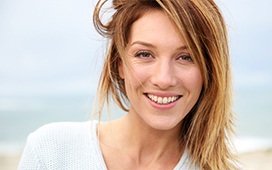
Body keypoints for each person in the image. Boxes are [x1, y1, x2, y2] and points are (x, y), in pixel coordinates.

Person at [18, 0, 238, 169]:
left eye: (186, 57)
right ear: (119, 63)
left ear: (210, 70)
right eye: (145, 54)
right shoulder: (51, 152)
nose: (163, 79)